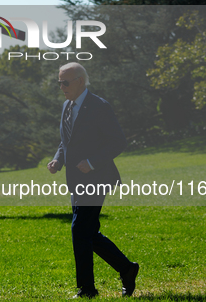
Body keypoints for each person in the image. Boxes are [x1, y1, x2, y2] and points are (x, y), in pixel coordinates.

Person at [47, 62, 139, 298]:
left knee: (79, 229)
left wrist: (92, 162)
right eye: (59, 82)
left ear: (79, 81)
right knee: (89, 232)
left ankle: (87, 289)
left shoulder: (99, 106)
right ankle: (127, 269)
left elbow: (118, 141)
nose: (61, 87)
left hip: (97, 178)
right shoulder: (66, 106)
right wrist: (58, 160)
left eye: (65, 82)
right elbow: (65, 141)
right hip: (75, 181)